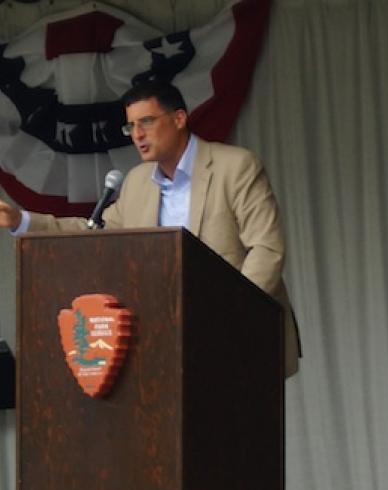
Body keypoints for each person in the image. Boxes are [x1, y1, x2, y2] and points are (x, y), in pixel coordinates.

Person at [0, 81, 299, 377]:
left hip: (234, 333)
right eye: (131, 127)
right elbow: (93, 230)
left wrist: (230, 313)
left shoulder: (235, 166)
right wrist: (21, 221)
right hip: (163, 340)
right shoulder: (138, 181)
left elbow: (266, 249)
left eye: (146, 122)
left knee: (235, 425)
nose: (138, 135)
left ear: (179, 118)